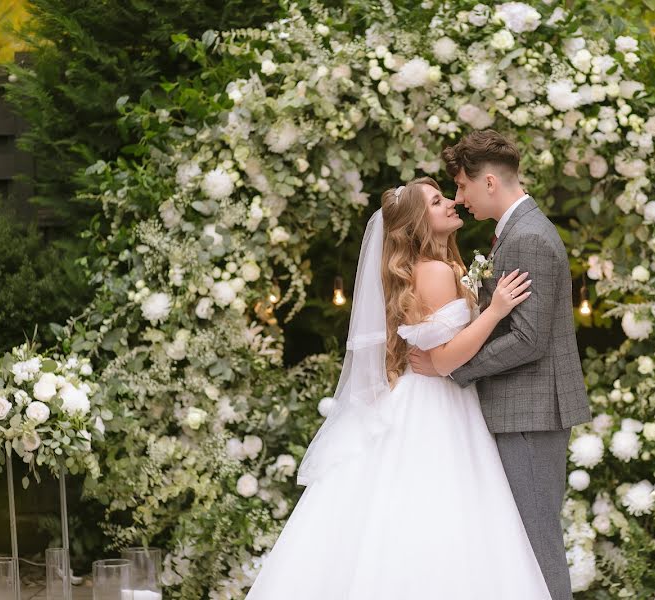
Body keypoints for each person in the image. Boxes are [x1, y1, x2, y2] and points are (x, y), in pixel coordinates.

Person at [245, 176, 551, 599]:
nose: (451, 204)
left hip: (432, 398)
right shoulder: (437, 272)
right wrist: (495, 310)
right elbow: (443, 359)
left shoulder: (436, 268)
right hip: (437, 404)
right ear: (417, 223)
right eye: (437, 202)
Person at [409, 130, 592, 600]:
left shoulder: (527, 237)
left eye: (462, 187)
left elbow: (528, 340)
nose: (458, 198)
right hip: (524, 411)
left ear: (488, 182)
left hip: (529, 413)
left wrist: (453, 369)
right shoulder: (517, 231)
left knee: (535, 542)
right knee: (521, 541)